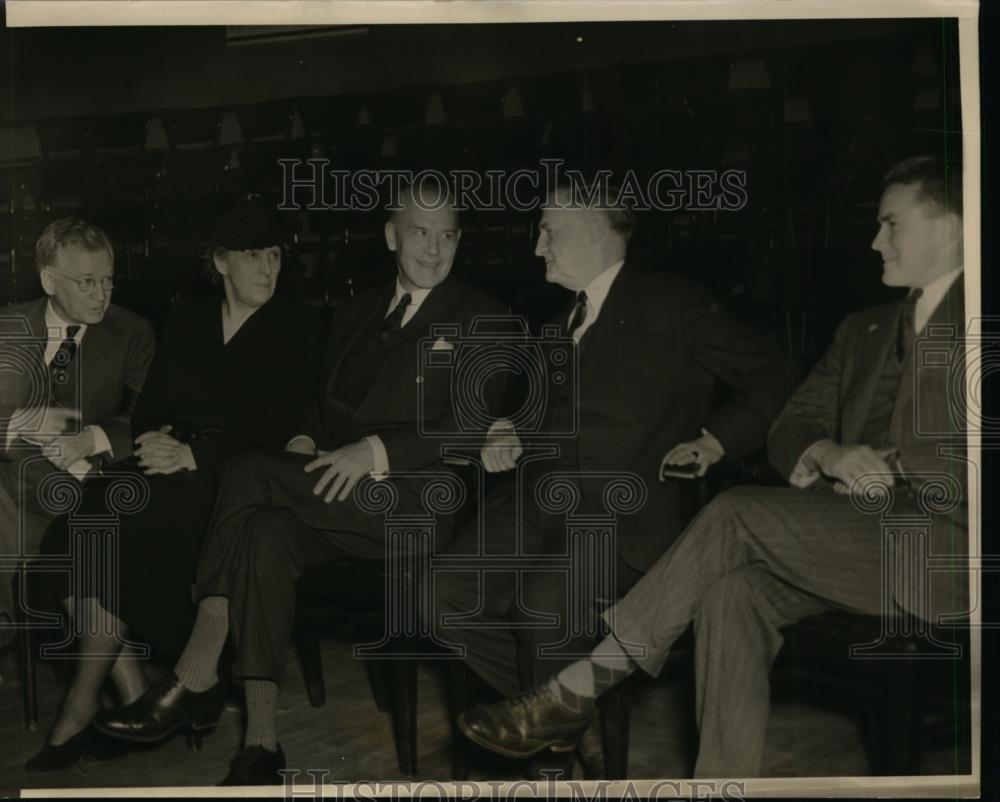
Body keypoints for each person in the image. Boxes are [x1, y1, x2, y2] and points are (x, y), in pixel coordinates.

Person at [457, 156, 969, 778]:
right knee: (729, 594)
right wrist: (827, 453)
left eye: (891, 224)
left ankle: (578, 688)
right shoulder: (862, 329)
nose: (874, 241)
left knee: (733, 513)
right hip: (851, 544)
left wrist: (895, 463)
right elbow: (794, 423)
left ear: (950, 228)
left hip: (949, 550)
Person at [92, 179, 508, 785]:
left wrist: (376, 451)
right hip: (339, 490)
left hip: (417, 501)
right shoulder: (357, 311)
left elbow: (471, 420)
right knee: (261, 532)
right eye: (420, 233)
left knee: (246, 469)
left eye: (447, 236)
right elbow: (319, 401)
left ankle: (194, 675)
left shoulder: (483, 315)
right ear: (391, 236)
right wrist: (307, 439)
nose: (434, 249)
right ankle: (261, 746)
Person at [427, 178, 794, 747]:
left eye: (548, 232)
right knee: (438, 595)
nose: (537, 248)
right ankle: (556, 710)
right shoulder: (558, 325)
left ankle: (550, 753)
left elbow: (775, 373)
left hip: (620, 519)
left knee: (540, 605)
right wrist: (511, 433)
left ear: (595, 230)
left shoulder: (673, 304)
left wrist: (717, 441)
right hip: (534, 505)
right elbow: (543, 419)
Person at [25, 197, 323, 772]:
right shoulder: (188, 317)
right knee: (80, 528)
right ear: (221, 261)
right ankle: (125, 697)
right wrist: (160, 439)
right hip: (170, 468)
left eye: (274, 255)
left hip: (232, 487)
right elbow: (153, 407)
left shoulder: (297, 324)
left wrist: (196, 453)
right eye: (252, 255)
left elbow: (280, 423)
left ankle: (79, 710)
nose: (267, 267)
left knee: (128, 533)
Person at [0, 218, 154, 643]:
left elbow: (153, 417)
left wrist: (92, 438)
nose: (100, 294)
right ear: (49, 280)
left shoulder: (131, 333)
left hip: (77, 492)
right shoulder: (7, 327)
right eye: (86, 282)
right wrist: (19, 422)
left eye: (107, 280)